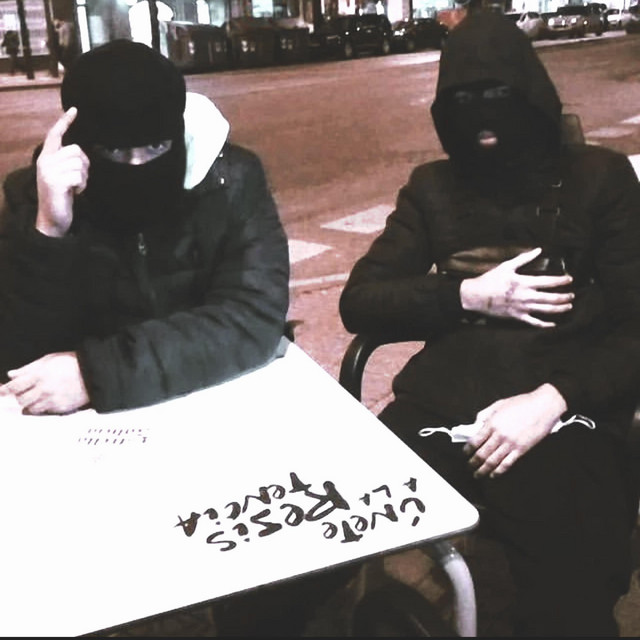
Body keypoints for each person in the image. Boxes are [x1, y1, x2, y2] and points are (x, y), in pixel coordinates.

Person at [340, 10, 640, 637]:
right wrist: (468, 295)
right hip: (444, 406)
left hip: (563, 407)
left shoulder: (600, 179)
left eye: (498, 95)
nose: (482, 117)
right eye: (463, 101)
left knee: (569, 576)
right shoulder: (433, 188)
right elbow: (361, 300)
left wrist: (553, 399)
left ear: (530, 94)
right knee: (342, 535)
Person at [0, 39, 289, 416]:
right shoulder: (35, 194)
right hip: (89, 424)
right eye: (114, 151)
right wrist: (49, 231)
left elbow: (252, 314)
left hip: (215, 396)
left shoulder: (228, 181)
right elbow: (17, 355)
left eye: (156, 147)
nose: (136, 166)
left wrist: (95, 373)